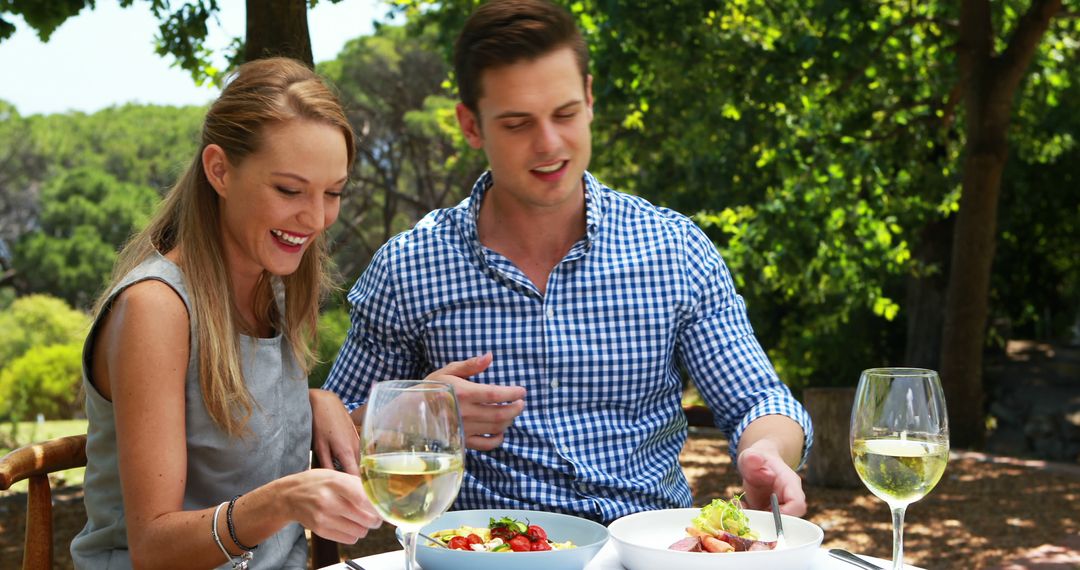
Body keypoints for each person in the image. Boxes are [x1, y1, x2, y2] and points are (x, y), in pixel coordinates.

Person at [322, 0, 813, 524]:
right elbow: (330, 439)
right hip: (486, 555)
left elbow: (759, 401)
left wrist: (767, 455)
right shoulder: (408, 267)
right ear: (471, 125)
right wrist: (412, 417)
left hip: (645, 552)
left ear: (590, 100)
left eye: (565, 114)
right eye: (517, 123)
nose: (550, 144)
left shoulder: (675, 249)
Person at [70, 57, 382, 569]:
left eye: (333, 193)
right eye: (289, 190)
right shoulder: (156, 308)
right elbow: (153, 547)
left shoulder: (272, 286)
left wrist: (319, 402)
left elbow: (240, 434)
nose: (315, 218)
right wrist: (283, 500)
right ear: (219, 170)